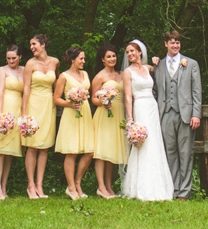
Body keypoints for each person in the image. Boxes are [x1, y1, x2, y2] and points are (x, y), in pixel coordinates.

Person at [151, 30, 202, 200]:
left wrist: (196, 114)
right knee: (169, 152)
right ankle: (173, 188)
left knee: (185, 153)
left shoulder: (191, 64)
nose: (175, 45)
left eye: (178, 42)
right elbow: (155, 91)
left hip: (185, 114)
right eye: (172, 42)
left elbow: (196, 91)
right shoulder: (158, 65)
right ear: (166, 44)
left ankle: (185, 191)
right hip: (165, 114)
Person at [122, 40, 174, 201]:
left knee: (155, 143)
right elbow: (128, 96)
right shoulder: (127, 72)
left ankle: (159, 186)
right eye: (128, 52)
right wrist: (130, 118)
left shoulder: (147, 68)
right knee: (143, 144)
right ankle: (140, 187)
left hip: (152, 106)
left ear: (140, 52)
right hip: (140, 106)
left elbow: (160, 70)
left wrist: (157, 61)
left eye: (133, 51)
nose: (130, 54)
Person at [0, 44, 24, 200]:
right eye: (8, 58)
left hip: (17, 109)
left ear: (20, 57)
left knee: (10, 152)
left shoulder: (24, 70)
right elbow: (0, 91)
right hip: (4, 107)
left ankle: (4, 186)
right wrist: (0, 114)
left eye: (14, 58)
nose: (11, 60)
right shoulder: (2, 70)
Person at [54, 46, 94, 200]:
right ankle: (71, 187)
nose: (83, 61)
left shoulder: (85, 74)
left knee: (89, 152)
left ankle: (77, 182)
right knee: (72, 152)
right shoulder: (63, 76)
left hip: (85, 113)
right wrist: (70, 104)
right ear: (73, 60)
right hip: (71, 114)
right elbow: (56, 98)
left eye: (84, 58)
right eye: (81, 58)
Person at [21, 36, 59, 199]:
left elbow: (58, 82)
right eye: (30, 44)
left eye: (34, 44)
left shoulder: (55, 62)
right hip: (34, 104)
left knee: (45, 146)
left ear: (43, 45)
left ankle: (39, 185)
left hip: (48, 104)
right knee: (33, 146)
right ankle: (30, 185)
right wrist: (24, 113)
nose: (31, 47)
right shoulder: (30, 64)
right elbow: (27, 88)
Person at [91, 44, 127, 199]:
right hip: (105, 114)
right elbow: (93, 98)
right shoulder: (100, 76)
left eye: (114, 56)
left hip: (118, 113)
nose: (112, 59)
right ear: (103, 60)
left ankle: (109, 186)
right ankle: (100, 187)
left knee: (112, 151)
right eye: (108, 57)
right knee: (102, 151)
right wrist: (103, 102)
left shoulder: (121, 74)